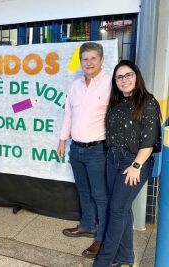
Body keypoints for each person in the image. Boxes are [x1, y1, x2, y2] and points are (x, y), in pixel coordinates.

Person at [93, 60, 161, 267]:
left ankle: (103, 262)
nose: (124, 80)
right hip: (112, 160)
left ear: (136, 76)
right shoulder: (116, 103)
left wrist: (137, 166)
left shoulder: (148, 102)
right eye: (119, 77)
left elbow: (149, 140)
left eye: (128, 75)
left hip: (134, 163)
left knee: (115, 210)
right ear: (115, 81)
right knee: (123, 209)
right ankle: (125, 257)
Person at [57, 42, 111, 258]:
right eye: (85, 59)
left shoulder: (110, 84)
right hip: (76, 149)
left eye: (93, 58)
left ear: (101, 60)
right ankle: (87, 225)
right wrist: (62, 140)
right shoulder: (75, 86)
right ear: (80, 62)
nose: (88, 63)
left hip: (98, 150)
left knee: (100, 195)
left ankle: (102, 237)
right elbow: (69, 114)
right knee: (83, 190)